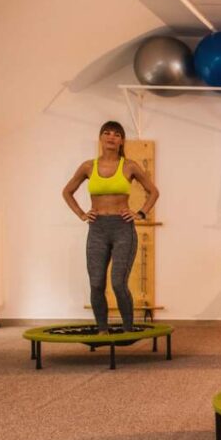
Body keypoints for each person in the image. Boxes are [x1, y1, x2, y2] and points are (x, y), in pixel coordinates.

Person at [61, 121, 159, 334]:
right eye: (107, 133)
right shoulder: (88, 166)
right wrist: (81, 214)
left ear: (121, 140)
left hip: (122, 228)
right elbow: (67, 191)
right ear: (101, 138)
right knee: (96, 283)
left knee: (118, 283)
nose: (111, 137)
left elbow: (153, 192)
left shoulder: (129, 166)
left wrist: (140, 213)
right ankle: (102, 329)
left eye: (116, 134)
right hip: (97, 228)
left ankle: (127, 328)